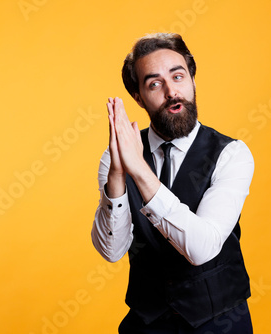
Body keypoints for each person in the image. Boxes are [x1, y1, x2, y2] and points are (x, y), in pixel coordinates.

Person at [91, 33, 254, 333]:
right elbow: (112, 250)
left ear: (192, 80)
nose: (171, 91)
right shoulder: (117, 156)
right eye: (154, 84)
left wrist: (139, 170)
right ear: (138, 98)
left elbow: (201, 248)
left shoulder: (232, 154)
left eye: (178, 77)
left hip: (219, 322)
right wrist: (117, 175)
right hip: (147, 321)